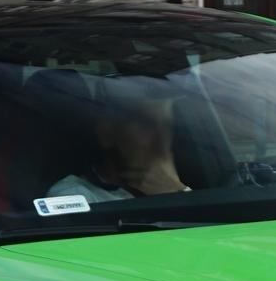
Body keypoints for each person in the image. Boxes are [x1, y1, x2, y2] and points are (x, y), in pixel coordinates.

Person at [45, 77, 191, 203]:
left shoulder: (175, 186)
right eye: (146, 124)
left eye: (166, 126)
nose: (161, 139)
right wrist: (169, 195)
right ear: (106, 134)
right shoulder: (74, 196)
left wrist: (175, 190)